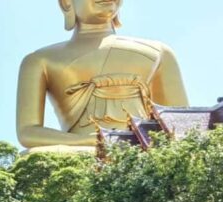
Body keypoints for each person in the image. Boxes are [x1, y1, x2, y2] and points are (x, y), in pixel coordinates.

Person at [16, 0, 188, 151]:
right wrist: (84, 141)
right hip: (80, 151)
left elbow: (181, 127)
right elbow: (28, 132)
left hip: (142, 152)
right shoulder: (41, 60)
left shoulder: (158, 52)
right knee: (37, 154)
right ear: (66, 2)